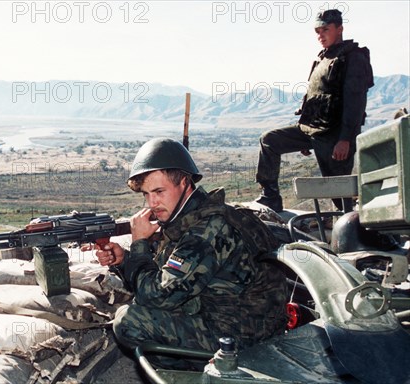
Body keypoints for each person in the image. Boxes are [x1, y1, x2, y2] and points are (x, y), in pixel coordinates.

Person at [95, 138, 288, 367]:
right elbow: (167, 274)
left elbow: (157, 296)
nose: (152, 202)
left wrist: (139, 246)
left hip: (241, 339)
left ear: (185, 183)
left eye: (159, 191)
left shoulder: (207, 229)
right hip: (242, 322)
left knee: (128, 321)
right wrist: (126, 260)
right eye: (146, 194)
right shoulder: (195, 216)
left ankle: (198, 376)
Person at [255, 9, 374, 212]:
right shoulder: (323, 59)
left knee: (340, 196)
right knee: (269, 140)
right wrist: (305, 129)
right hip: (312, 130)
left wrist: (345, 139)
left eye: (325, 29)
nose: (320, 35)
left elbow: (355, 102)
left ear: (340, 29)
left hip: (334, 137)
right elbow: (313, 98)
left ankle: (359, 230)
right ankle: (271, 196)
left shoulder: (353, 58)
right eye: (317, 31)